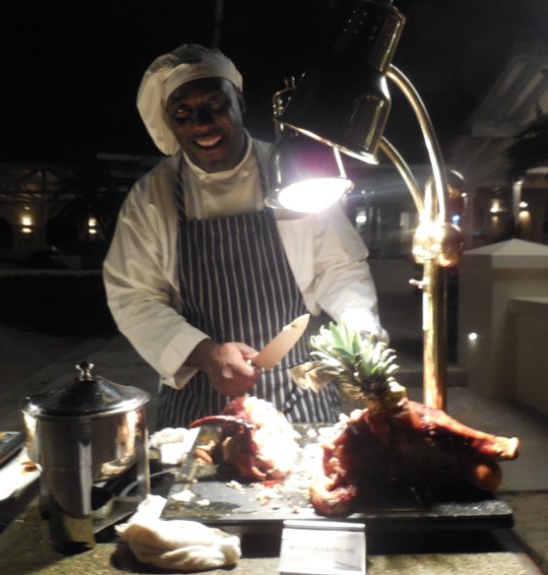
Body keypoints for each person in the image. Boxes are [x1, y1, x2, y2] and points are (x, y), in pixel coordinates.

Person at [103, 44, 384, 429]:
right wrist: (205, 353)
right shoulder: (152, 197)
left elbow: (339, 268)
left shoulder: (291, 173)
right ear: (169, 121)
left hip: (300, 390)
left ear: (239, 101)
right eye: (182, 111)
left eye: (214, 103)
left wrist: (360, 330)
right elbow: (133, 296)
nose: (202, 123)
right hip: (200, 396)